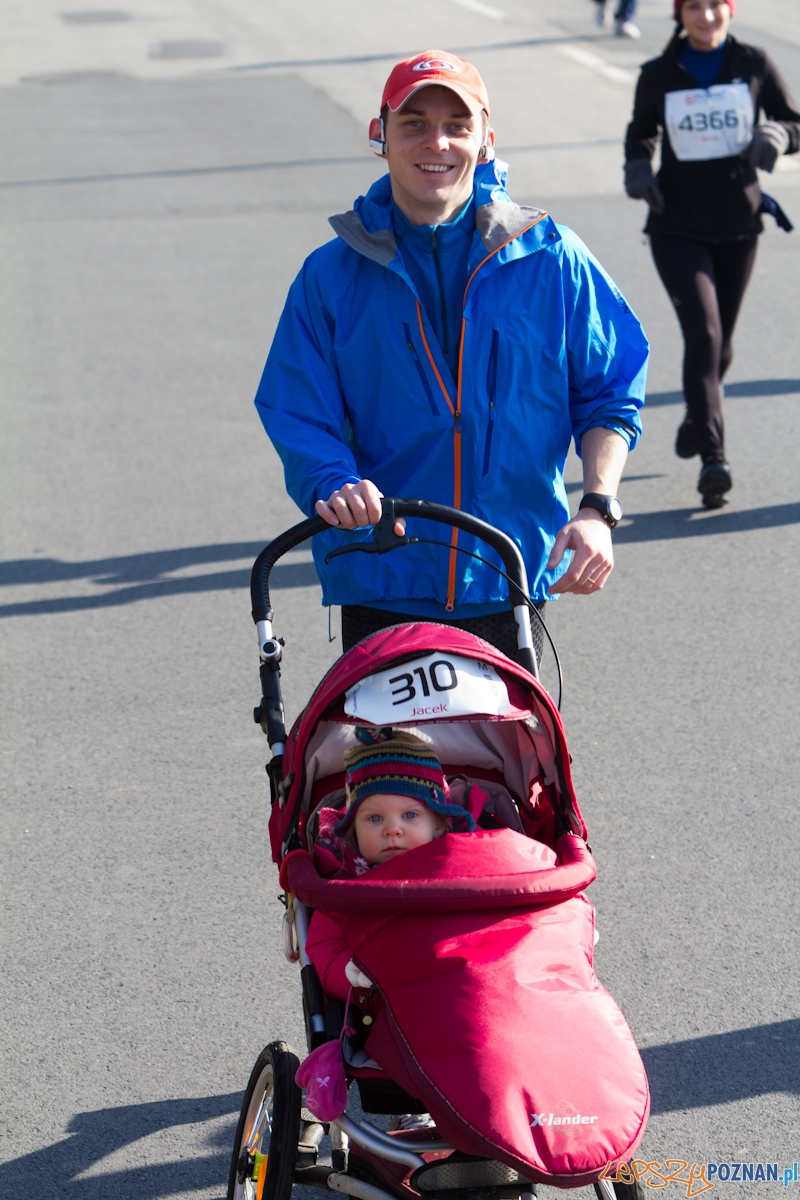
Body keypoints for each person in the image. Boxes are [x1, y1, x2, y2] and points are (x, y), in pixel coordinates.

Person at [256, 50, 649, 657]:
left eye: (457, 126)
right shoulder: (329, 275)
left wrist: (597, 508)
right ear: (380, 134)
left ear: (485, 141)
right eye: (413, 123)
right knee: (383, 729)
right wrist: (334, 482)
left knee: (505, 727)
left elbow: (609, 391)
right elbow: (297, 406)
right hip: (381, 573)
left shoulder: (552, 258)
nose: (435, 142)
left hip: (506, 573)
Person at [624, 0, 800, 508]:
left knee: (722, 346)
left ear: (730, 10)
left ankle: (698, 416)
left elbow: (794, 122)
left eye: (714, 5)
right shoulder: (659, 73)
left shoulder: (754, 62)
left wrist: (778, 134)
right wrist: (639, 171)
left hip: (739, 223)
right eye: (694, 7)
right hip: (677, 224)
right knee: (704, 336)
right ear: (680, 15)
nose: (705, 16)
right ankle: (713, 459)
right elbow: (641, 133)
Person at [306, 727, 477, 1001]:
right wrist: (351, 976)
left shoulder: (466, 866)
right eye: (375, 818)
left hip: (466, 985)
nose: (392, 830)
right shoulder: (342, 890)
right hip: (386, 1000)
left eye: (409, 815)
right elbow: (326, 946)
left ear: (438, 824)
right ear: (353, 829)